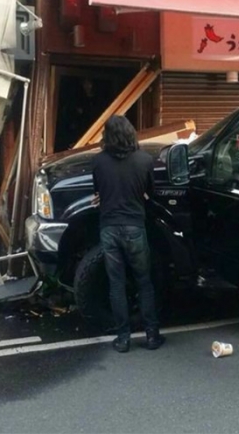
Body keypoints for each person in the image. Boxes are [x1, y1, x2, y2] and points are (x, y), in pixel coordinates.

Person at [92, 115, 165, 353]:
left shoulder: (98, 162)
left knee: (116, 284)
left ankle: (123, 339)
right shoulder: (144, 160)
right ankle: (152, 336)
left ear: (107, 136)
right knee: (144, 282)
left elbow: (98, 191)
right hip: (135, 227)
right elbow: (150, 193)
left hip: (109, 228)